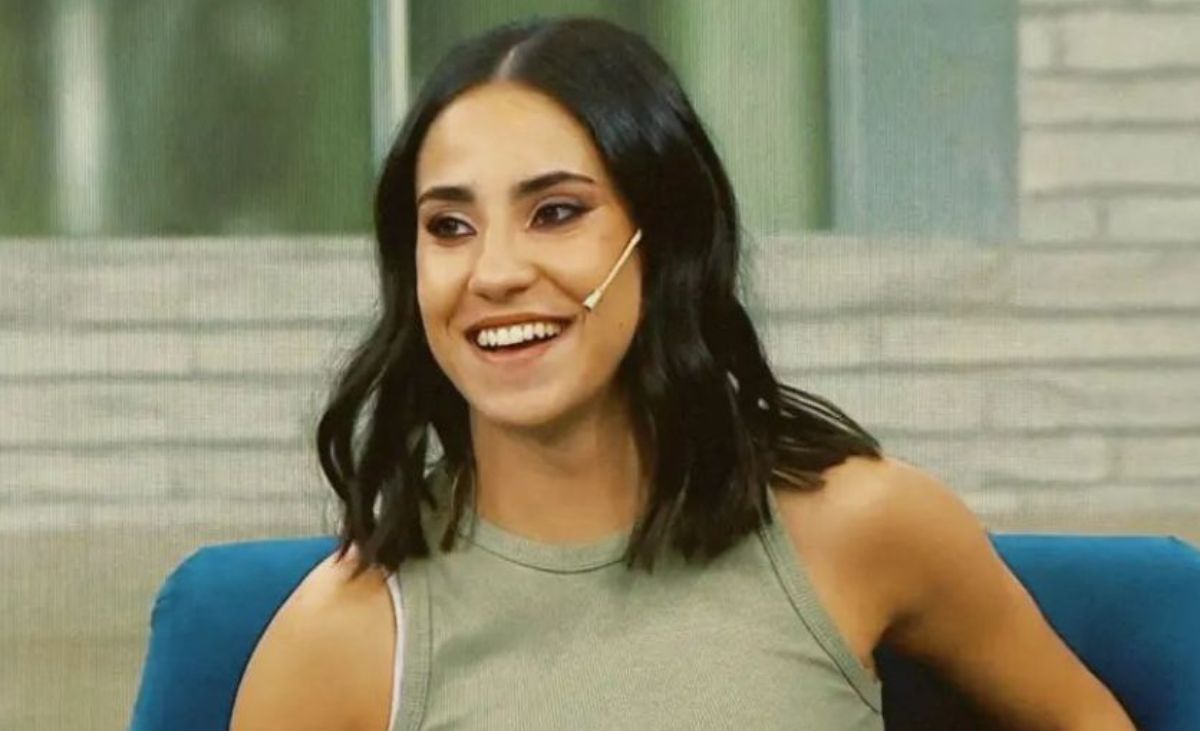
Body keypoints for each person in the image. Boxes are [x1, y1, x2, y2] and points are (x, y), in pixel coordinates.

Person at [230, 16, 1136, 731]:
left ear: (661, 239)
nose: (494, 272)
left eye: (556, 212)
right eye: (449, 227)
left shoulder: (867, 526)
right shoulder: (336, 639)